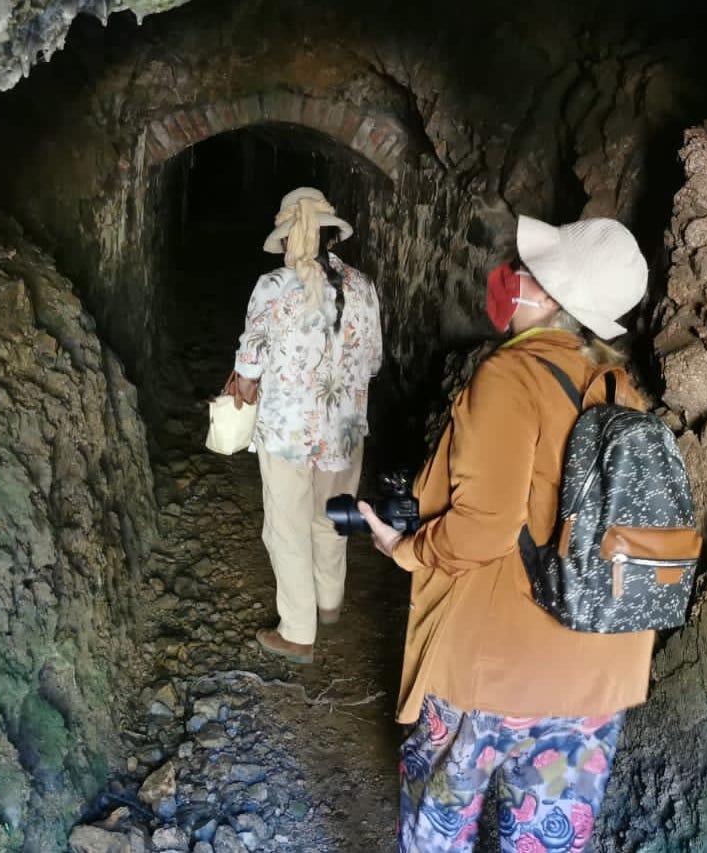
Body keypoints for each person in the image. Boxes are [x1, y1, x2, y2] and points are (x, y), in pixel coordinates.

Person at [358, 215, 652, 852]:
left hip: (492, 671)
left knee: (438, 828)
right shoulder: (623, 391)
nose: (510, 279)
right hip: (597, 677)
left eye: (526, 271)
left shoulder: (509, 378)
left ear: (550, 297)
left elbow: (482, 531)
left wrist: (405, 548)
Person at [227, 187, 382, 665]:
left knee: (287, 528)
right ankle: (329, 604)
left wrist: (244, 384)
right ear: (331, 235)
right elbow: (373, 362)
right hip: (347, 432)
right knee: (333, 518)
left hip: (287, 434)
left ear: (290, 236)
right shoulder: (363, 286)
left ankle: (298, 631)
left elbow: (249, 369)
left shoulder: (272, 287)